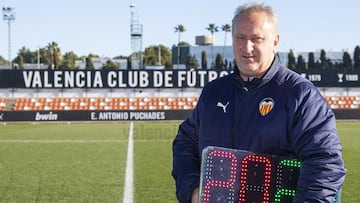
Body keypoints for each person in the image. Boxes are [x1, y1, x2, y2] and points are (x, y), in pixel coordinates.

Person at [172, 2, 346, 203]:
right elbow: (185, 143)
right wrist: (193, 191)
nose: (247, 47)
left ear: (275, 41)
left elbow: (325, 163)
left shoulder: (300, 95)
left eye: (257, 39)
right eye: (241, 38)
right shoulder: (213, 92)